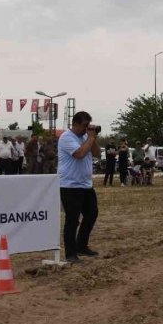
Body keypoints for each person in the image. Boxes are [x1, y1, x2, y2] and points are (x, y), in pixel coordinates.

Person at [57, 111, 101, 263]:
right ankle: (70, 253)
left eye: (88, 125)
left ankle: (81, 245)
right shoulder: (66, 137)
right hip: (69, 185)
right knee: (72, 219)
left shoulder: (86, 137)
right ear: (75, 123)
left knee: (92, 214)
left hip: (85, 185)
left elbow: (97, 154)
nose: (86, 128)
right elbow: (80, 153)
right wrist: (90, 138)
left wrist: (92, 138)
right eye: (84, 125)